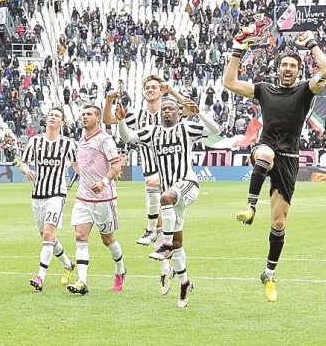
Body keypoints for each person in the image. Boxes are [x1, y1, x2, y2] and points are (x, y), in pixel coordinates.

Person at [223, 28, 326, 303]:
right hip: (266, 148)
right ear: (278, 68)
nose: (288, 68)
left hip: (290, 159)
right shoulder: (264, 90)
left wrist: (311, 44)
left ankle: (269, 274)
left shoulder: (305, 91)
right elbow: (230, 82)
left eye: (293, 66)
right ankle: (249, 206)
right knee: (265, 153)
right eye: (284, 64)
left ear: (298, 71)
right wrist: (238, 49)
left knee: (279, 221)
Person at [117, 98, 220, 308]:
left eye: (171, 108)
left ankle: (165, 245)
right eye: (164, 108)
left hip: (188, 184)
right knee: (178, 244)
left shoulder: (187, 128)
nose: (166, 111)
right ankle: (184, 283)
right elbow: (128, 137)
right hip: (172, 194)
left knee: (165, 199)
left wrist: (198, 112)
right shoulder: (152, 132)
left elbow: (215, 130)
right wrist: (120, 121)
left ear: (178, 112)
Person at [103, 75, 191, 294]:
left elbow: (191, 109)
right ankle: (165, 269)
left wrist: (172, 91)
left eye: (154, 87)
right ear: (143, 92)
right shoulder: (137, 115)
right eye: (147, 88)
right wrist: (108, 102)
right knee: (165, 226)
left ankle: (151, 229)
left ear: (160, 91)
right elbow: (109, 121)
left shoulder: (171, 111)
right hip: (150, 169)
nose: (150, 90)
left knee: (157, 204)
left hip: (172, 173)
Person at [67, 105, 125, 296]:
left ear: (98, 118)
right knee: (80, 237)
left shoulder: (105, 140)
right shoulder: (81, 140)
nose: (84, 117)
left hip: (104, 198)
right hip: (83, 197)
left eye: (89, 114)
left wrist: (104, 181)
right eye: (83, 114)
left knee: (107, 240)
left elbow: (116, 165)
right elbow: (80, 164)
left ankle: (120, 270)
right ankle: (82, 281)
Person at [20, 107, 77, 291]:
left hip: (56, 194)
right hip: (37, 195)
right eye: (51, 115)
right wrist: (27, 170)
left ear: (62, 122)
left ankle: (40, 276)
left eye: (57, 116)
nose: (53, 118)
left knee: (47, 234)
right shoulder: (35, 141)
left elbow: (78, 167)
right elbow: (23, 164)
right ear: (46, 119)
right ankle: (67, 263)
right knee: (48, 237)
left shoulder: (68, 144)